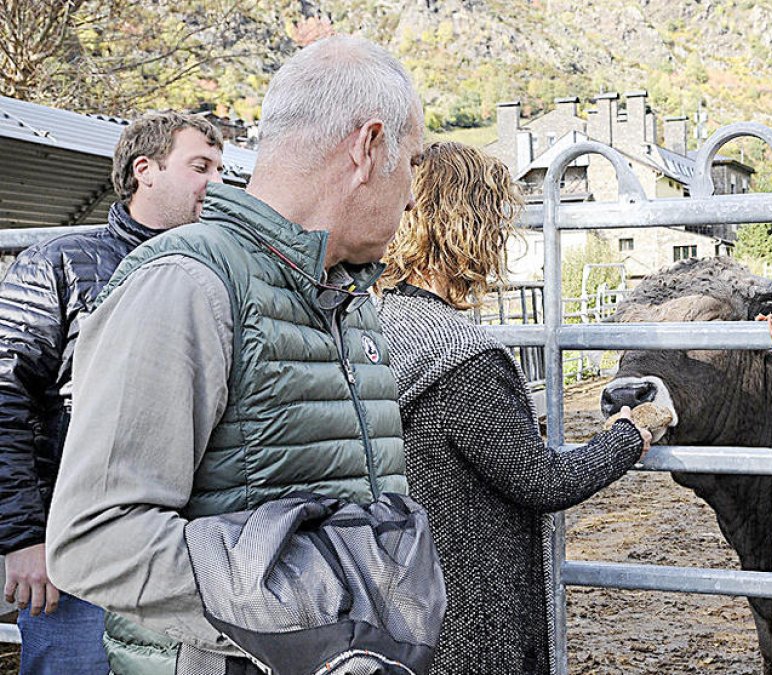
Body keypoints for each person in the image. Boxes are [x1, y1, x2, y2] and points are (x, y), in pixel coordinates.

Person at [44, 35, 422, 674]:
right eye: (412, 162)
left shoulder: (339, 293)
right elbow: (96, 541)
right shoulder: (188, 285)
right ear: (368, 148)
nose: (412, 196)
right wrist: (318, 608)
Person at [374, 141, 651, 675]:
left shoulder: (379, 322)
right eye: (497, 220)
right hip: (474, 619)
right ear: (470, 226)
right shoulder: (459, 356)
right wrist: (629, 434)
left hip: (406, 594)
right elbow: (543, 481)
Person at [0, 111, 224, 674]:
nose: (215, 183)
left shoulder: (219, 271)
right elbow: (5, 397)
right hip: (75, 555)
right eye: (201, 166)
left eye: (220, 169)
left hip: (181, 554)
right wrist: (23, 538)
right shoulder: (58, 265)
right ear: (145, 170)